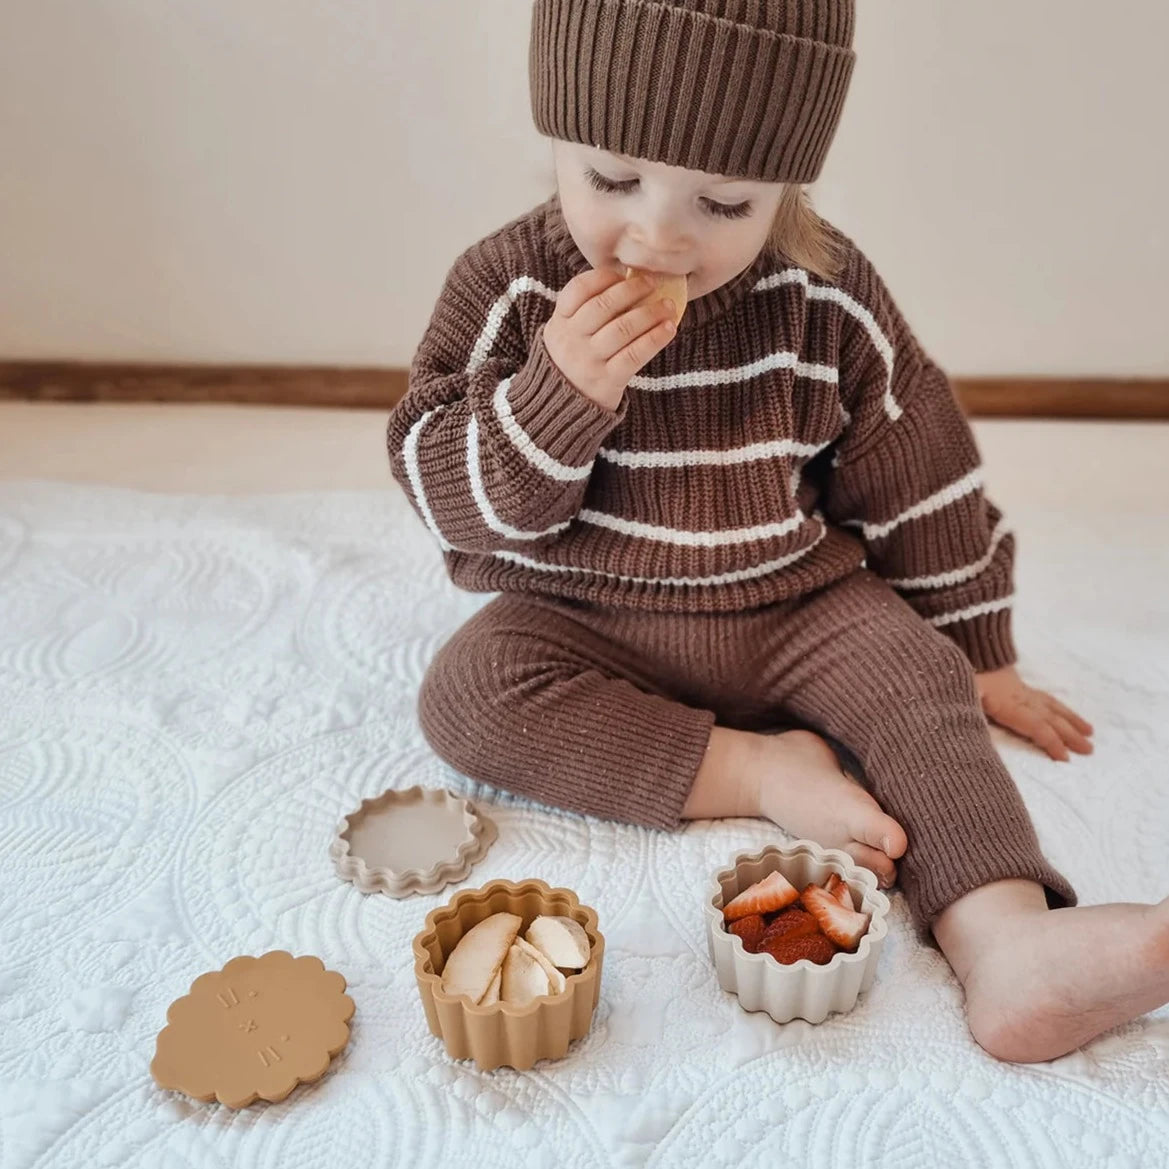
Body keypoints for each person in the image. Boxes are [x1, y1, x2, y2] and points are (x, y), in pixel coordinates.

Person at [388, 0, 1169, 1062]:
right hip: (586, 615)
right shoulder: (511, 288)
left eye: (721, 199)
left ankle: (1009, 943)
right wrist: (554, 395)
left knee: (915, 684)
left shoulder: (823, 292)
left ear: (787, 184)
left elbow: (916, 469)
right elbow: (445, 490)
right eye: (610, 179)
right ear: (555, 139)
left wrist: (975, 649)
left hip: (795, 602)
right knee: (466, 693)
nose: (658, 233)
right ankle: (756, 767)